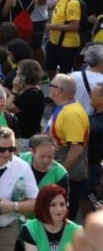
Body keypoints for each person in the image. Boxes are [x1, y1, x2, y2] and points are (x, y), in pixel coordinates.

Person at [46, 73, 91, 220]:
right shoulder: (65, 108)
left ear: (58, 90)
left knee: (63, 216)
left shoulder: (72, 114)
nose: (48, 87)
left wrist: (60, 173)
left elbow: (76, 148)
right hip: (62, 171)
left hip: (69, 177)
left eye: (51, 85)